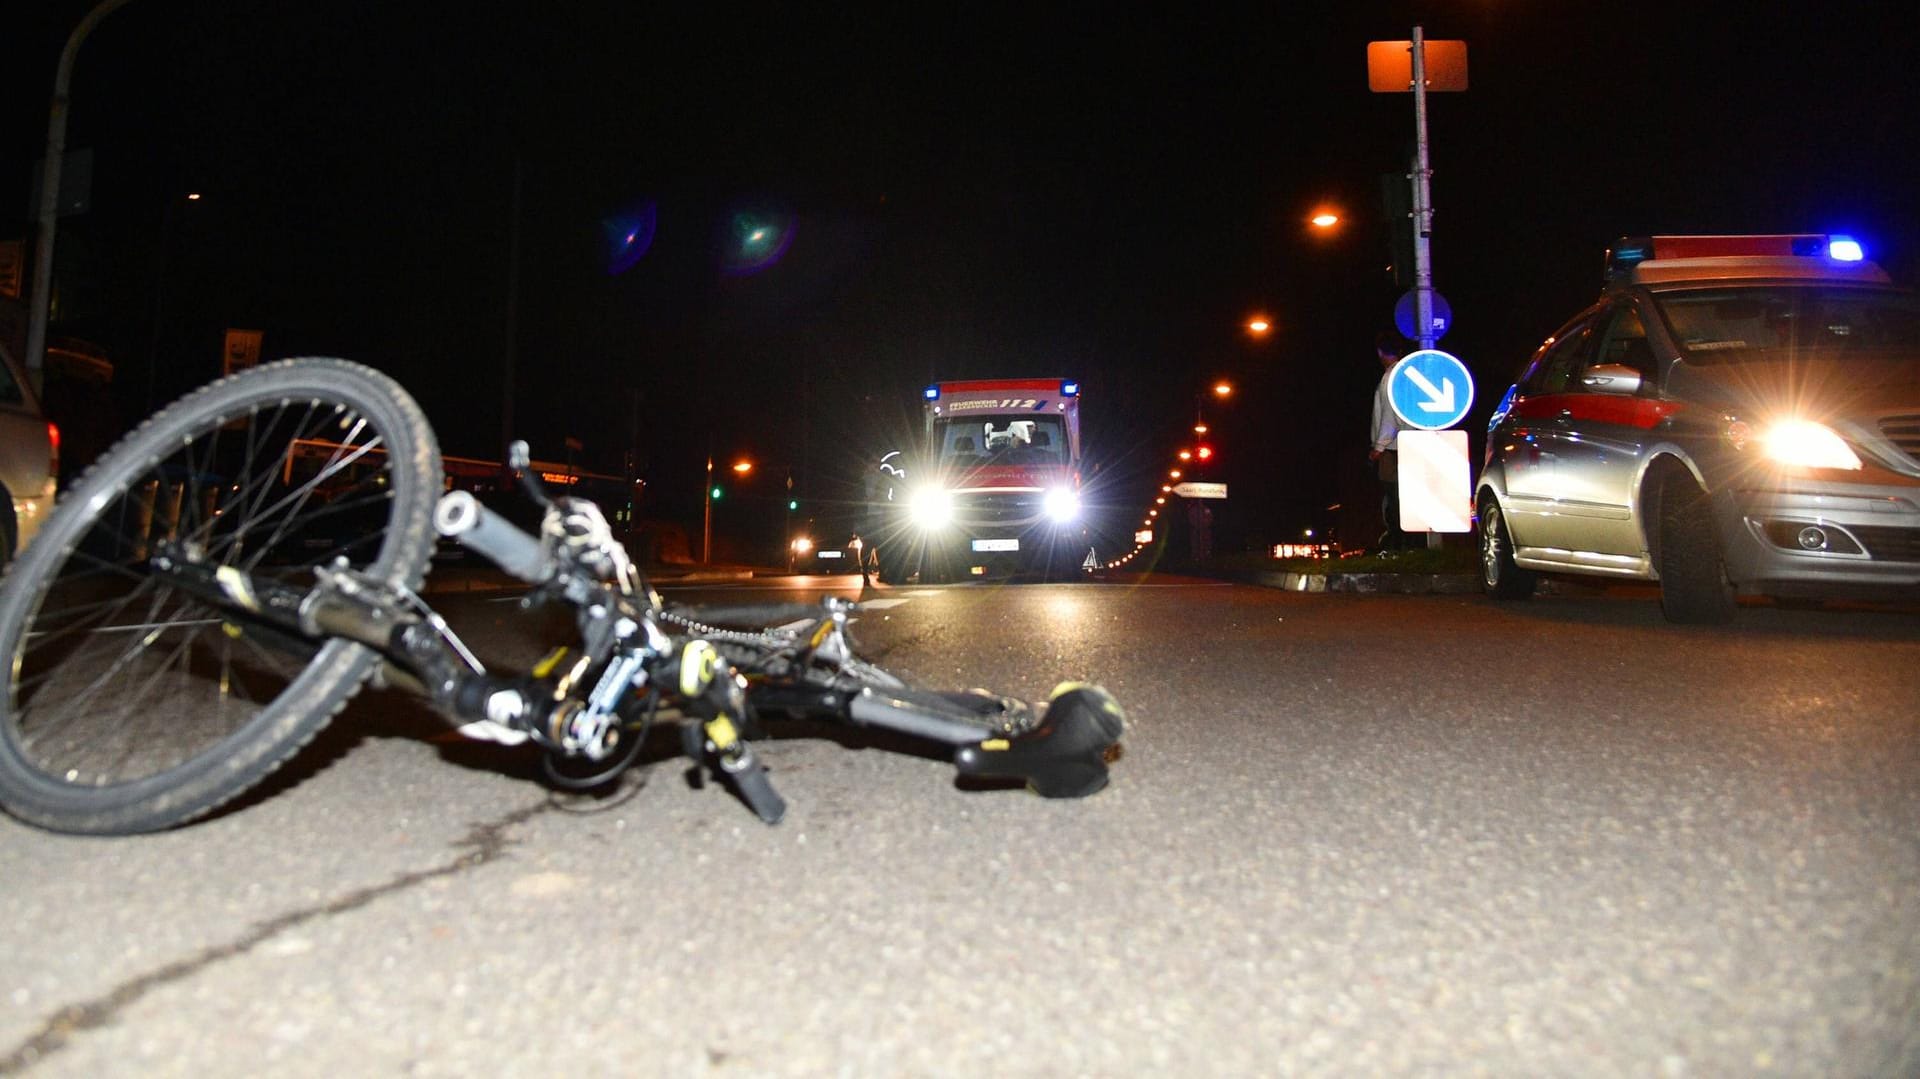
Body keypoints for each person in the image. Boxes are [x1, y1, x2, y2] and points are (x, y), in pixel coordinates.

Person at [1368, 331, 1412, 552]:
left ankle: (1397, 542)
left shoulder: (1389, 378)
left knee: (1393, 496)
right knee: (1405, 495)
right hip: (1411, 443)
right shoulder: (1408, 374)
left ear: (1380, 353)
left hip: (1393, 448)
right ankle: (1409, 542)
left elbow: (1388, 415)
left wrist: (1378, 447)